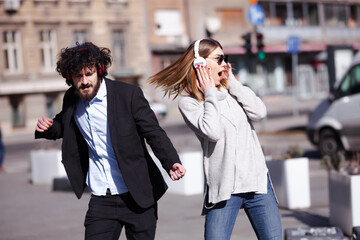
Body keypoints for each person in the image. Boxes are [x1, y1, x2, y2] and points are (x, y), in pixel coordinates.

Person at [35, 42, 186, 240]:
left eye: (88, 74)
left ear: (99, 70)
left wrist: (171, 161)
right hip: (102, 197)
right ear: (69, 78)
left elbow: (153, 132)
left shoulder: (128, 95)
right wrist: (48, 127)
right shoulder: (72, 98)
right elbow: (65, 123)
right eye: (78, 76)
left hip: (138, 195)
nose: (84, 81)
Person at [148, 38, 282, 240]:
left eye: (225, 58)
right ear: (199, 64)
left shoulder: (234, 92)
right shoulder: (190, 103)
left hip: (257, 184)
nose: (225, 63)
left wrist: (234, 83)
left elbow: (259, 112)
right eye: (219, 59)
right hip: (224, 188)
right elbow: (213, 132)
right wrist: (210, 92)